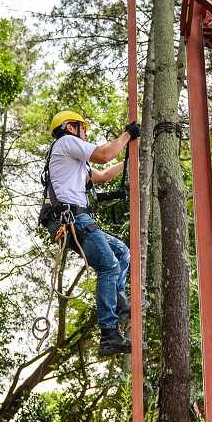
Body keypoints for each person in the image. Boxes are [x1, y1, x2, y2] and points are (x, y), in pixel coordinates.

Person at [40, 110, 140, 356]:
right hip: (72, 218)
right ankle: (109, 333)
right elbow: (104, 155)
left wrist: (134, 160)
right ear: (71, 128)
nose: (86, 134)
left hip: (72, 219)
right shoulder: (65, 142)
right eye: (83, 128)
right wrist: (127, 135)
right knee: (108, 266)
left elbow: (104, 175)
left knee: (121, 252)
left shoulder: (73, 161)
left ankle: (117, 299)